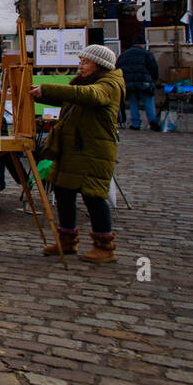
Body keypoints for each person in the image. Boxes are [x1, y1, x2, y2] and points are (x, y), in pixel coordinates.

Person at [32, 45, 125, 263]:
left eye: (86, 62)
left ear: (99, 65)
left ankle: (104, 247)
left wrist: (47, 89)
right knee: (63, 190)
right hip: (73, 148)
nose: (81, 66)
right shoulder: (85, 81)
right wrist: (36, 93)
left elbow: (90, 96)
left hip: (93, 150)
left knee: (93, 195)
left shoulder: (109, 84)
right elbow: (69, 99)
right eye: (80, 61)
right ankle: (67, 240)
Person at [116, 35, 161, 131]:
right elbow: (153, 68)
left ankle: (135, 124)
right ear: (143, 44)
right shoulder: (146, 54)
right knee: (148, 101)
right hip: (144, 82)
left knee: (133, 102)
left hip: (128, 83)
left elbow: (118, 68)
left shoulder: (124, 54)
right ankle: (152, 122)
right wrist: (154, 79)